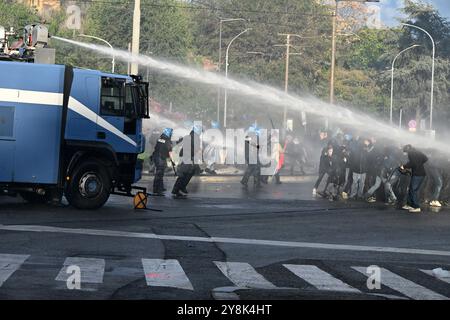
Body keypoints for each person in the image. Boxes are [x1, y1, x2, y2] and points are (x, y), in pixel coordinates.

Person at [172, 125, 202, 198]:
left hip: (186, 157)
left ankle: (181, 187)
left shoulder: (189, 136)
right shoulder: (195, 138)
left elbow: (178, 142)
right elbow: (194, 149)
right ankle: (176, 190)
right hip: (187, 157)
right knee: (184, 174)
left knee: (188, 173)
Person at [401, 144, 428, 213]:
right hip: (421, 173)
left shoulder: (411, 153)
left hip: (417, 174)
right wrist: (419, 163)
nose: (406, 153)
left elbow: (413, 163)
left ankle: (416, 207)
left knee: (413, 190)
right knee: (411, 189)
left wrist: (404, 166)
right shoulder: (417, 152)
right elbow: (425, 158)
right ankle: (409, 204)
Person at [151, 128, 174, 196]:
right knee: (159, 173)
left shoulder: (160, 139)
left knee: (160, 173)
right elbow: (169, 150)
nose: (171, 134)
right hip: (160, 158)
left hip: (157, 157)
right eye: (171, 133)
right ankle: (156, 189)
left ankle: (160, 187)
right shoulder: (167, 140)